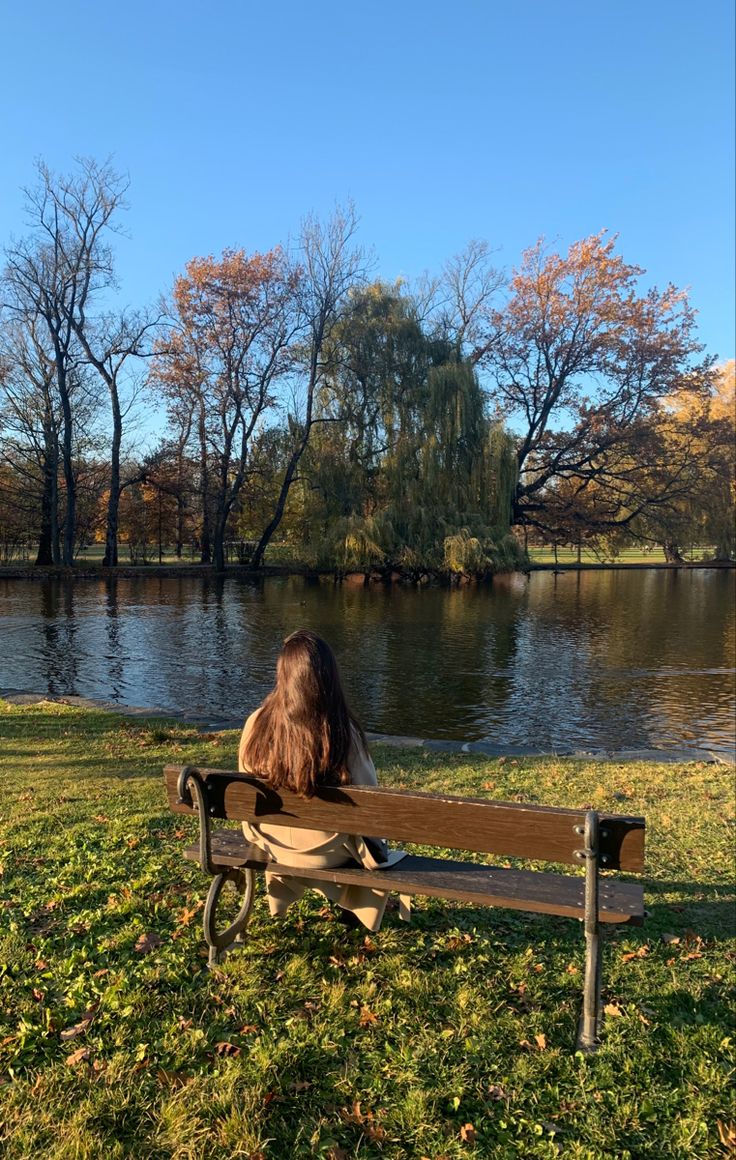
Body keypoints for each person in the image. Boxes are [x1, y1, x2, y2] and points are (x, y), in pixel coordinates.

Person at [238, 629, 405, 931]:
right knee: (366, 842)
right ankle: (356, 911)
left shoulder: (255, 725)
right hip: (330, 852)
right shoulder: (342, 733)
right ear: (329, 678)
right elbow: (371, 809)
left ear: (282, 674)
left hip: (273, 842)